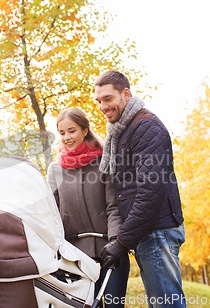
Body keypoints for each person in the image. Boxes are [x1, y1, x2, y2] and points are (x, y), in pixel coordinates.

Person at [94, 70, 186, 307]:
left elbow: (150, 192)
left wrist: (122, 241)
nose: (103, 106)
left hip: (157, 232)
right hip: (148, 232)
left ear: (126, 94)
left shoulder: (145, 128)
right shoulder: (124, 130)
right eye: (99, 101)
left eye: (108, 98)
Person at [47, 107, 130, 308]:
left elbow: (113, 207)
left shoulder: (104, 162)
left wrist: (116, 244)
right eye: (62, 132)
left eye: (72, 130)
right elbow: (51, 213)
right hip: (73, 258)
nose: (67, 137)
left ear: (85, 130)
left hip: (109, 252)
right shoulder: (55, 169)